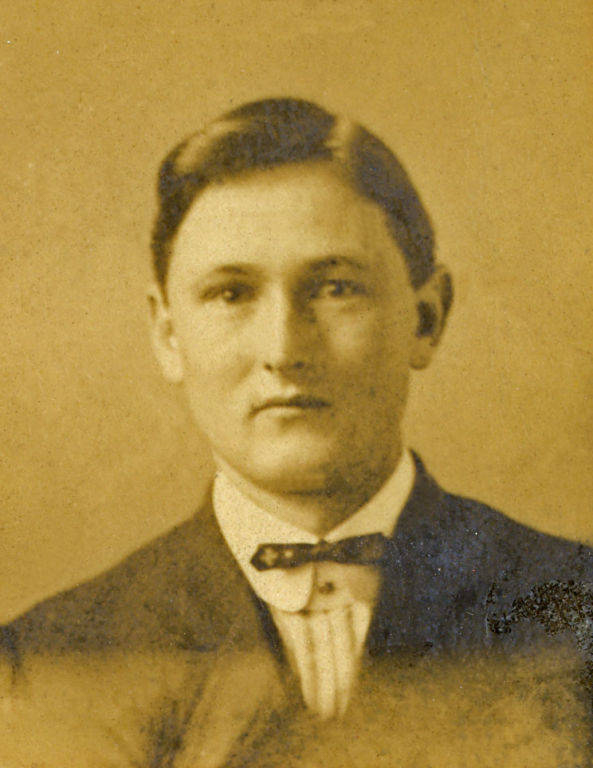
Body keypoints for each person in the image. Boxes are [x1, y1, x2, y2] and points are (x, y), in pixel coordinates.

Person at [1, 98, 593, 766]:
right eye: (231, 294)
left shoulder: (575, 605)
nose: (283, 349)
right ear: (168, 335)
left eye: (335, 288)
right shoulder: (45, 660)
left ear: (426, 318)